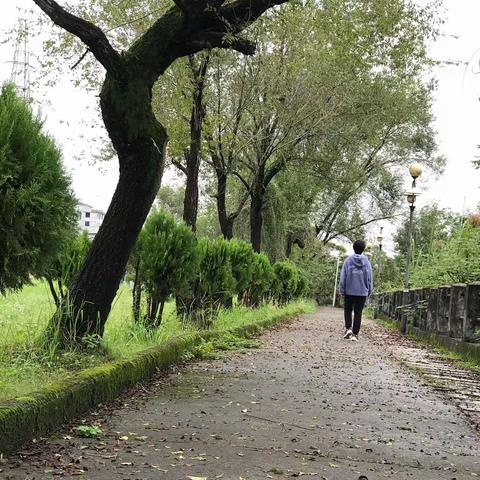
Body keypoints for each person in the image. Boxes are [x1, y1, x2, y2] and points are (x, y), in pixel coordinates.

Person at [338, 240, 373, 341]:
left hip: (349, 290)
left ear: (353, 248)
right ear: (363, 249)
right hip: (362, 291)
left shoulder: (348, 260)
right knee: (358, 312)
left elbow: (343, 276)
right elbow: (369, 277)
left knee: (348, 309)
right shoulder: (366, 261)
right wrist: (369, 290)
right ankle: (355, 334)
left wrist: (342, 289)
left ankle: (348, 328)